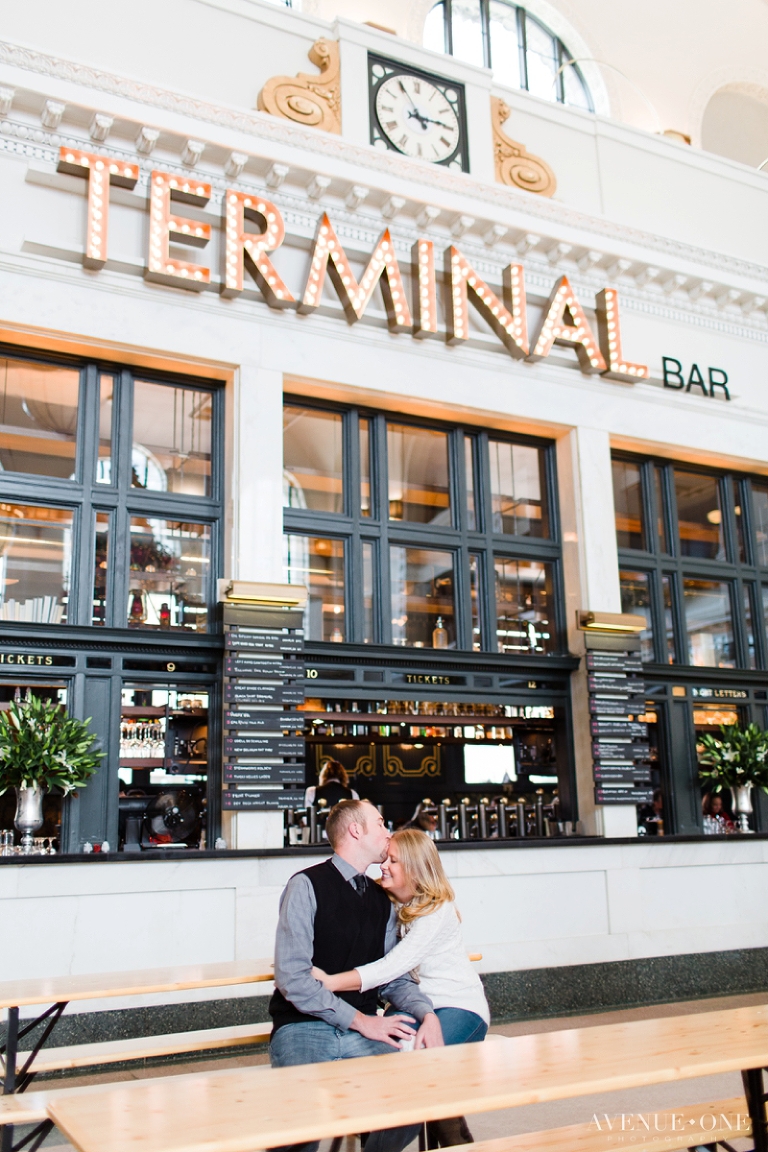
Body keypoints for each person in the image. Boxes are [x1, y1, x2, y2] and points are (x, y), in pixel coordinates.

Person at [269, 799, 443, 1152]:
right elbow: (293, 979)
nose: (388, 831)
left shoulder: (383, 900)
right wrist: (362, 1021)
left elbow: (392, 976)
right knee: (300, 1127)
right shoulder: (305, 886)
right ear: (356, 830)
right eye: (380, 823)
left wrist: (427, 1014)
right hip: (302, 1027)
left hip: (363, 1031)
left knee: (412, 1103)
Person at [313, 828, 489, 1147]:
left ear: (415, 868)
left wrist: (331, 982)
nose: (383, 865)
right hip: (415, 1006)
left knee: (417, 1074)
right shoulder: (390, 905)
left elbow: (391, 967)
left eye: (393, 860)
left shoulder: (437, 909)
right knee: (392, 1070)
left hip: (459, 1007)